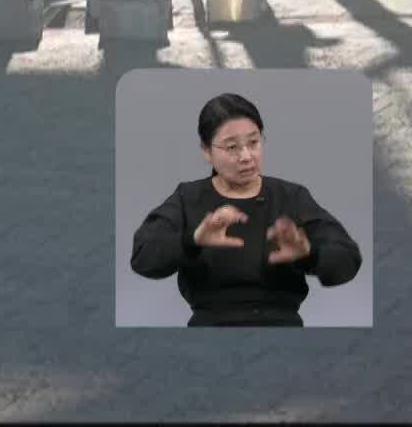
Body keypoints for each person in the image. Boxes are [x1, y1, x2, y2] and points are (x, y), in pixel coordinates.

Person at [128, 93, 362, 327]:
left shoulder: (291, 196)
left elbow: (347, 259)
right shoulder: (188, 197)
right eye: (232, 147)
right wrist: (193, 240)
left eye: (254, 142)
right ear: (207, 150)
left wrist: (310, 254)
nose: (246, 156)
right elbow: (143, 257)